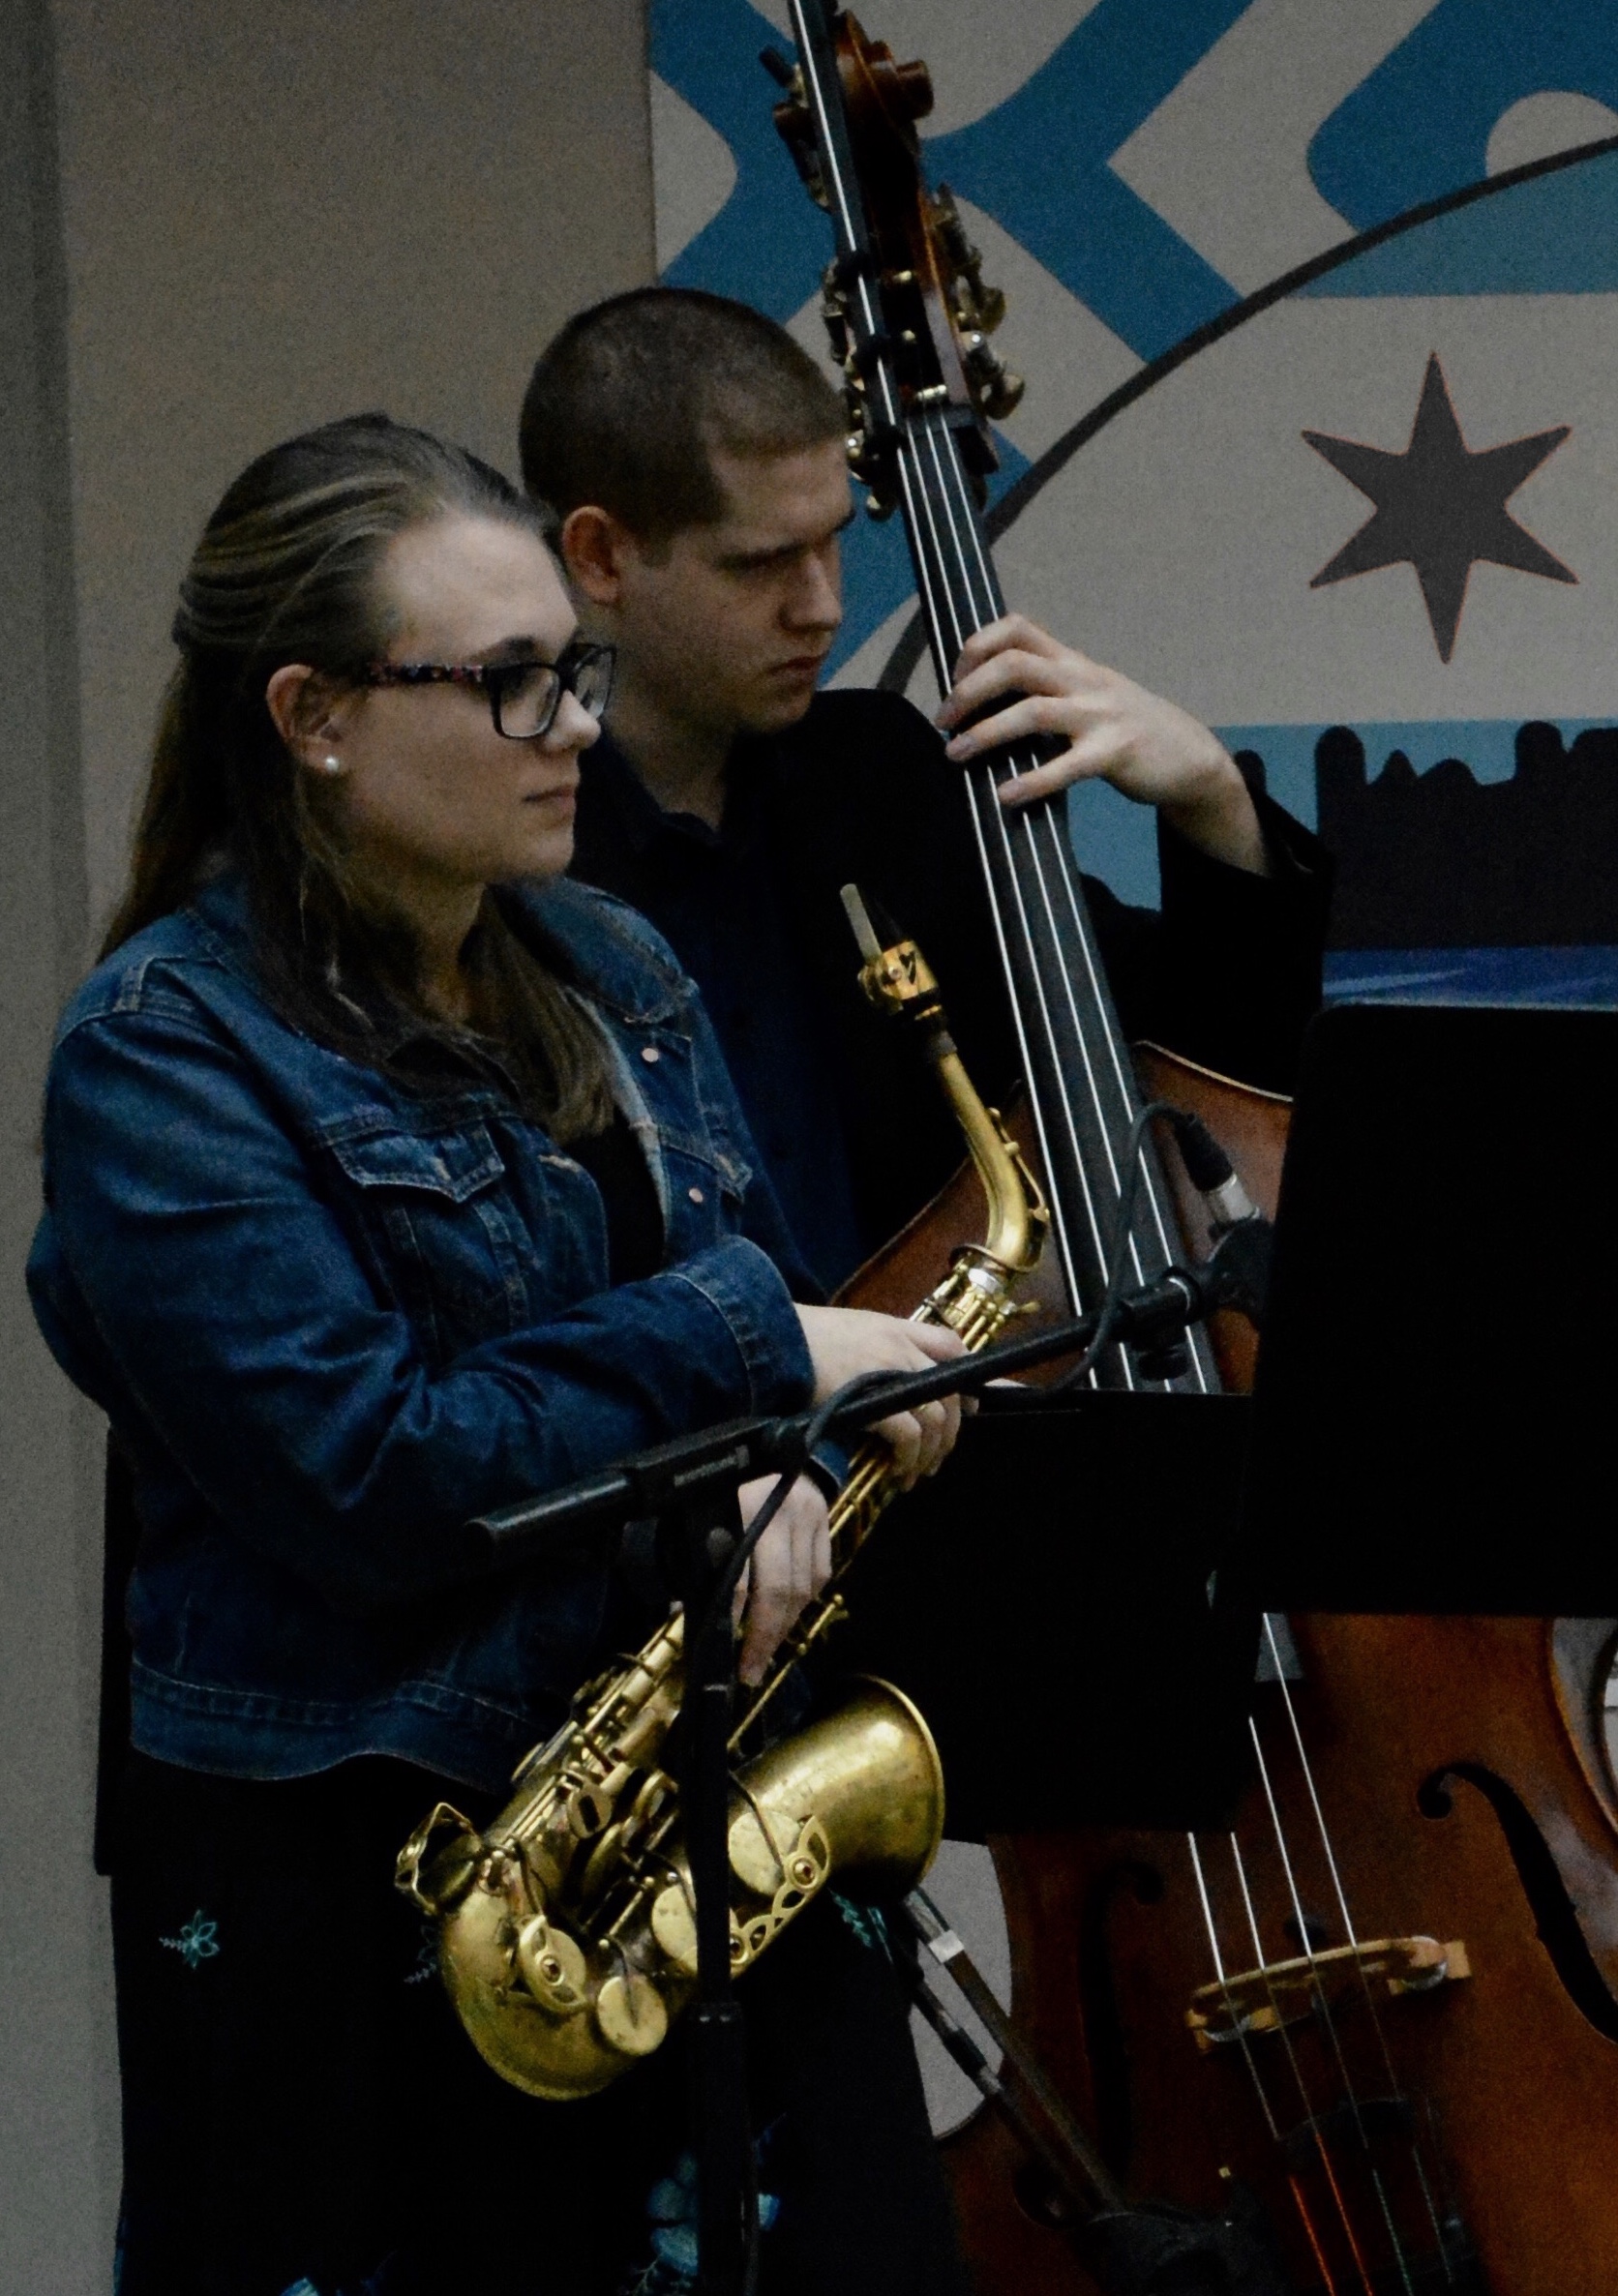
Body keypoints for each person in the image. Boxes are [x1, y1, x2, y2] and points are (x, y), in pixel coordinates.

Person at [28, 414, 974, 2296]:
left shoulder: (611, 958)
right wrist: (750, 1349)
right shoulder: (158, 1055)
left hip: (678, 1820)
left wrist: (788, 1456)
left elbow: (733, 1336)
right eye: (510, 681)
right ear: (311, 713)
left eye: (579, 670)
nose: (574, 729)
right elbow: (375, 1470)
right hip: (368, 1908)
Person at [521, 288, 1331, 1294]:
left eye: (830, 542)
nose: (820, 607)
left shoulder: (881, 776)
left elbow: (1204, 1061)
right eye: (762, 563)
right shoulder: (506, 848)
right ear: (601, 556)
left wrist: (1211, 799)